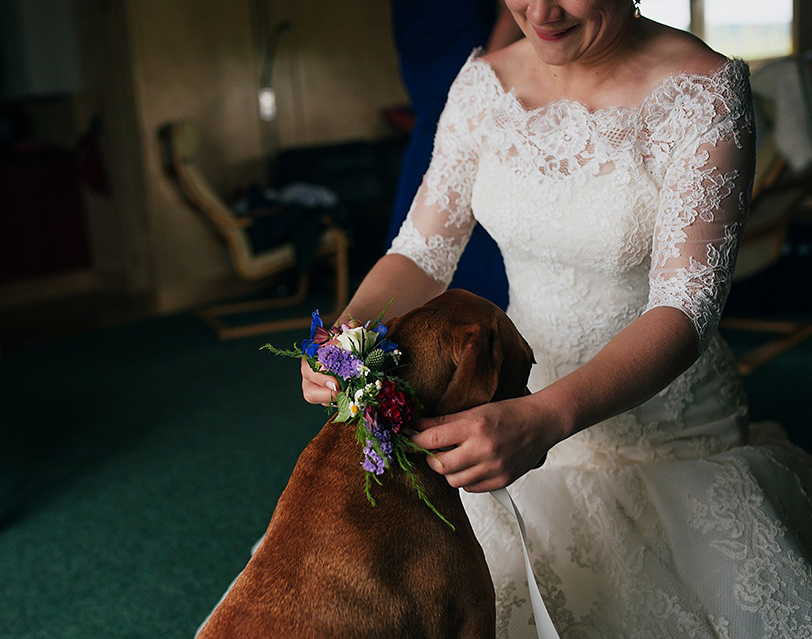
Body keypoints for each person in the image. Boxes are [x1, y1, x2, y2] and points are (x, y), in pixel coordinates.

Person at [302, 0, 812, 636]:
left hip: (663, 441)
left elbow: (685, 309)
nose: (540, 10)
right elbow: (420, 252)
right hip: (508, 408)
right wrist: (351, 332)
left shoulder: (704, 92)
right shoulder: (483, 84)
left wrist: (545, 419)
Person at [387, 0, 523, 307]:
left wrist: (487, 71)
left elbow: (513, 10)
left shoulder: (479, 79)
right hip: (423, 75)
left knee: (475, 237)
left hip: (469, 61)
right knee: (418, 232)